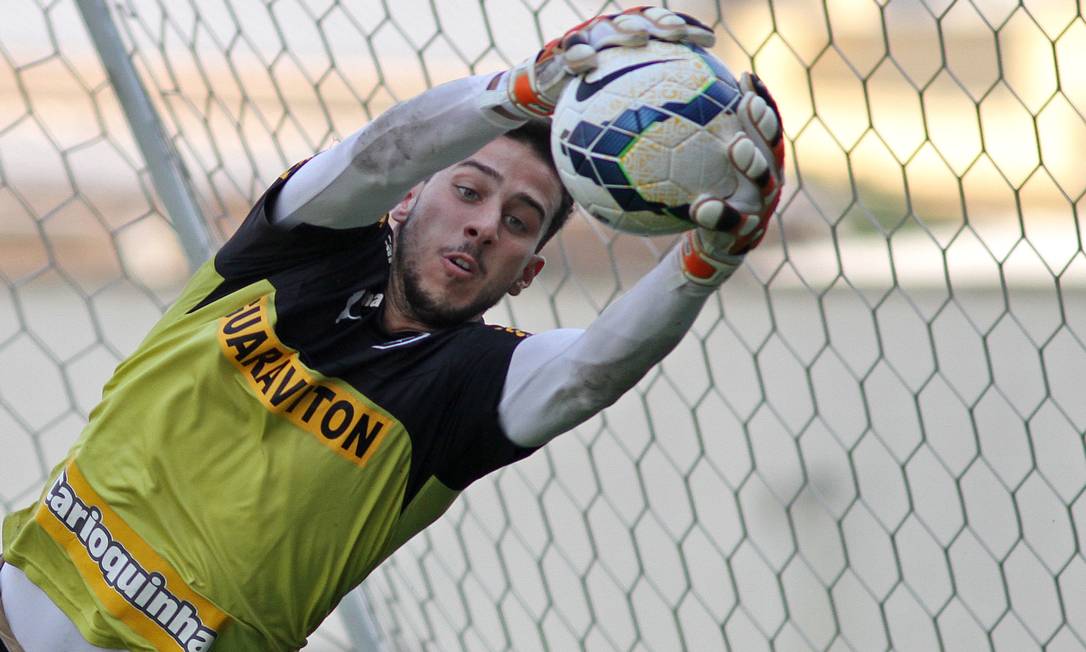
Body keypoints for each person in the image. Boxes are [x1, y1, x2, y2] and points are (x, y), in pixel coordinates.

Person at [0, 6, 783, 651]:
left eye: (518, 222)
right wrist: (517, 89)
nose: (482, 226)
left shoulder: (464, 388)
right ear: (408, 200)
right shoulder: (296, 251)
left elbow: (593, 369)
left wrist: (706, 261)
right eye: (469, 191)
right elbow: (379, 154)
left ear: (527, 274)